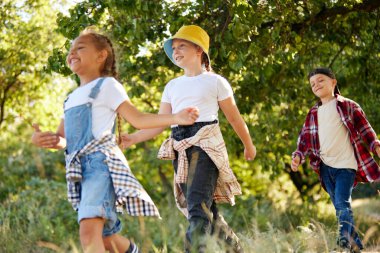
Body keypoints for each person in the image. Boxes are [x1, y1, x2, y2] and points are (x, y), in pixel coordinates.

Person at [31, 27, 199, 253]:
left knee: (88, 232)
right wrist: (47, 139)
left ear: (101, 56)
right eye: (70, 50)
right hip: (79, 171)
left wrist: (175, 117)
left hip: (100, 166)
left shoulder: (107, 86)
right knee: (107, 239)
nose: (72, 53)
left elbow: (137, 119)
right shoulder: (70, 98)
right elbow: (64, 140)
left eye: (80, 48)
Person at [121, 25, 256, 252]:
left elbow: (234, 117)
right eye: (174, 48)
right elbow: (161, 122)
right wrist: (132, 138)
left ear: (198, 50)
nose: (176, 51)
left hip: (205, 146)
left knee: (197, 209)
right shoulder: (172, 85)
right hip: (180, 148)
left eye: (182, 46)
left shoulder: (215, 81)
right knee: (207, 213)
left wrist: (248, 145)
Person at [291, 67, 380, 253]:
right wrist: (298, 156)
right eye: (312, 84)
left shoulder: (348, 106)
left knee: (342, 203)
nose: (316, 85)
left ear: (333, 82)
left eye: (321, 80)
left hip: (346, 165)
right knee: (340, 207)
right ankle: (356, 246)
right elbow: (304, 139)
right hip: (324, 167)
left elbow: (365, 129)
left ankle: (342, 245)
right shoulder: (313, 113)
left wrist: (375, 146)